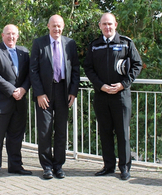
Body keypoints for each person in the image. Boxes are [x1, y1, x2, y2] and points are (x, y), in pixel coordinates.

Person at [83, 13, 142, 180]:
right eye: (104, 24)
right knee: (105, 132)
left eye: (110, 24)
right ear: (100, 26)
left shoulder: (126, 43)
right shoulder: (94, 45)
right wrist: (100, 85)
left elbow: (137, 65)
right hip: (102, 95)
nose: (107, 27)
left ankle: (124, 168)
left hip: (121, 96)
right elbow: (88, 68)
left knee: (123, 132)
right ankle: (108, 166)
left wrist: (123, 84)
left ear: (115, 24)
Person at [30, 14, 80, 179]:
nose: (56, 29)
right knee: (44, 131)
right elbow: (33, 70)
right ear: (48, 26)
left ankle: (58, 165)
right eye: (54, 26)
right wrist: (39, 93)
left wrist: (73, 92)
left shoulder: (70, 44)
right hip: (44, 93)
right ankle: (47, 167)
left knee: (61, 131)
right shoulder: (39, 43)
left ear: (63, 26)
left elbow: (75, 69)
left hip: (63, 92)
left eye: (59, 26)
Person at [0, 24, 32, 183]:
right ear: (2, 35)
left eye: (14, 34)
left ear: (18, 36)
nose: (11, 37)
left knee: (16, 136)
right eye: (8, 34)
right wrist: (13, 90)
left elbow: (30, 74)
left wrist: (24, 89)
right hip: (1, 102)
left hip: (20, 102)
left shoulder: (24, 51)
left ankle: (15, 166)